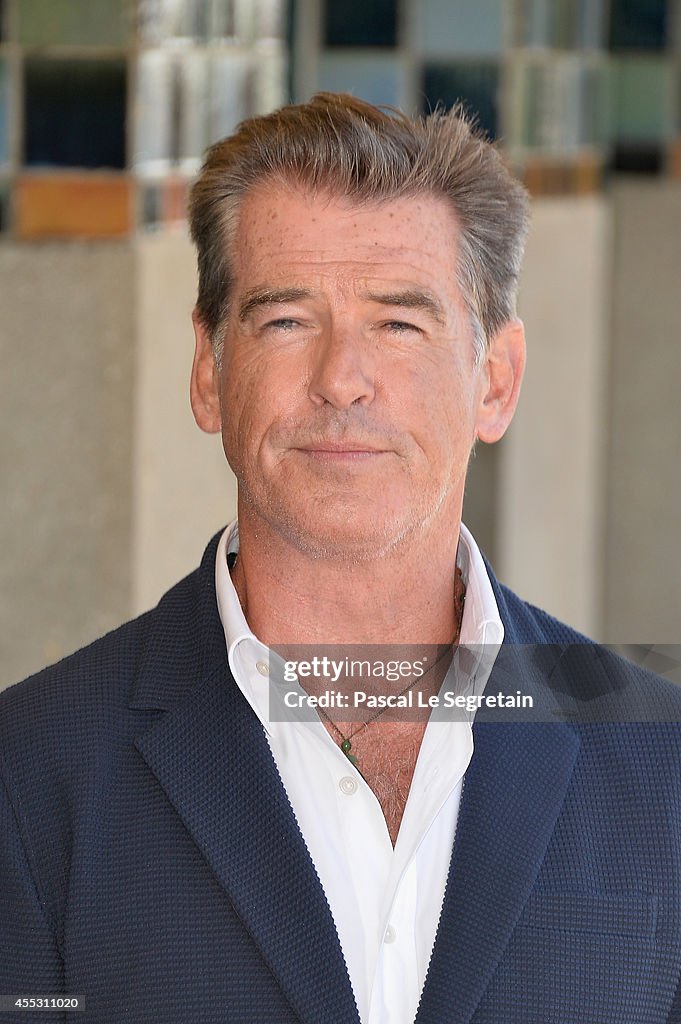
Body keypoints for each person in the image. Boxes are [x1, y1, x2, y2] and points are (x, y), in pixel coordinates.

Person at [1, 93, 680, 1024]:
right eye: (286, 321)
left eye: (400, 323)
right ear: (209, 370)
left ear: (496, 381)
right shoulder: (28, 777)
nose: (340, 380)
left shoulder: (661, 766)